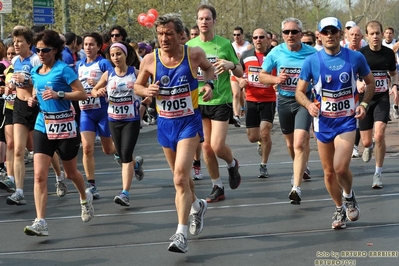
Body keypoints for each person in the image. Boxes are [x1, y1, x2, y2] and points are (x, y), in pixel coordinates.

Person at [134, 13, 213, 253]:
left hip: (189, 123)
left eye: (168, 33)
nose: (164, 38)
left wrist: (208, 85)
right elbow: (137, 86)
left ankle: (179, 234)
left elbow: (209, 71)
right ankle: (197, 205)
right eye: (160, 34)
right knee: (184, 180)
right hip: (165, 125)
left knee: (179, 179)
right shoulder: (150, 59)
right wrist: (147, 89)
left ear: (180, 35)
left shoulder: (194, 54)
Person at [296, 17, 375, 229]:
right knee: (328, 172)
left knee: (341, 168)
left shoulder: (355, 57)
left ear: (340, 34)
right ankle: (339, 207)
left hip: (347, 121)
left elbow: (371, 83)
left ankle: (348, 195)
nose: (330, 35)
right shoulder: (312, 61)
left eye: (334, 31)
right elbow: (299, 92)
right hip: (323, 124)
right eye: (326, 32)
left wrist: (364, 105)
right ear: (319, 35)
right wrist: (308, 105)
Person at [24, 29, 93, 236]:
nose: (40, 53)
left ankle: (84, 197)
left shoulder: (64, 70)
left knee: (71, 173)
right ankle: (40, 221)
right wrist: (32, 99)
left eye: (45, 50)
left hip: (65, 126)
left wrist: (59, 94)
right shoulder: (36, 72)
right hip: (43, 125)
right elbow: (36, 91)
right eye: (37, 50)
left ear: (55, 50)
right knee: (38, 176)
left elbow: (82, 94)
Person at [186, 4, 243, 203]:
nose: (204, 22)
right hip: (199, 101)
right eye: (201, 19)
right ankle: (217, 186)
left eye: (207, 18)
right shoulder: (190, 46)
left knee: (217, 146)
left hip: (221, 99)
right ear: (197, 21)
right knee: (206, 148)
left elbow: (240, 72)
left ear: (214, 21)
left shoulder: (225, 44)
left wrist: (231, 65)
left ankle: (231, 163)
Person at [259, 17, 316, 205]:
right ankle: (300, 166)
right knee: (292, 146)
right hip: (284, 101)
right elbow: (262, 76)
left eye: (294, 32)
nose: (290, 35)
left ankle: (296, 187)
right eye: (286, 32)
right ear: (282, 34)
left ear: (301, 34)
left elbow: (321, 76)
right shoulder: (276, 52)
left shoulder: (311, 53)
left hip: (303, 101)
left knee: (300, 142)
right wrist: (277, 80)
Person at [90, 41, 144, 206]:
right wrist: (97, 91)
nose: (115, 58)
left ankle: (125, 193)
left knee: (126, 154)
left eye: (118, 54)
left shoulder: (135, 72)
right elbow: (93, 90)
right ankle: (136, 166)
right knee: (121, 155)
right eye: (112, 55)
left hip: (131, 120)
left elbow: (147, 88)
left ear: (126, 54)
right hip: (114, 119)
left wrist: (147, 98)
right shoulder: (108, 74)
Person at [0, 26, 41, 205]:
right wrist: (10, 84)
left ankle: (59, 174)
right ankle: (19, 191)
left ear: (29, 43)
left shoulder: (34, 60)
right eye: (14, 41)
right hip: (18, 107)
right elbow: (13, 80)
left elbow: (40, 81)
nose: (16, 44)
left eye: (19, 41)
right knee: (17, 149)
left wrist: (32, 92)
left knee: (35, 148)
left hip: (34, 107)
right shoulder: (15, 60)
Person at [76, 32, 117, 199]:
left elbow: (116, 83)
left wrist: (101, 87)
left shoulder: (104, 63)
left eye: (92, 44)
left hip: (103, 111)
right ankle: (91, 185)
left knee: (108, 150)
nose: (88, 47)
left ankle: (132, 162)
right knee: (87, 148)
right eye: (85, 44)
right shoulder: (78, 65)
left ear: (99, 47)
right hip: (86, 112)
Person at [358, 21, 398, 189]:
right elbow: (352, 75)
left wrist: (395, 85)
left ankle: (378, 173)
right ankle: (369, 146)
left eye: (378, 33)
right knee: (367, 141)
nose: (375, 36)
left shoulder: (389, 54)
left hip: (382, 98)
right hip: (365, 100)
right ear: (366, 36)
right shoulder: (360, 54)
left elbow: (394, 73)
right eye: (371, 33)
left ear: (382, 34)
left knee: (380, 134)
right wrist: (357, 82)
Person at [236, 28, 276, 178]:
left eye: (261, 37)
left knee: (265, 133)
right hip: (251, 100)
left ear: (267, 39)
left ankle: (263, 165)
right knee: (253, 137)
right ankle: (260, 142)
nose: (258, 40)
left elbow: (279, 72)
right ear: (252, 40)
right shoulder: (246, 56)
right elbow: (237, 74)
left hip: (268, 99)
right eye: (255, 37)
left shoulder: (274, 56)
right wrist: (241, 81)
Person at [231, 26, 252, 127]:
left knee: (244, 95)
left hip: (245, 74)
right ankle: (236, 116)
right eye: (234, 35)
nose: (236, 37)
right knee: (236, 94)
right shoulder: (230, 46)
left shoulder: (248, 46)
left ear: (242, 35)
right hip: (234, 73)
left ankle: (243, 108)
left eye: (238, 34)